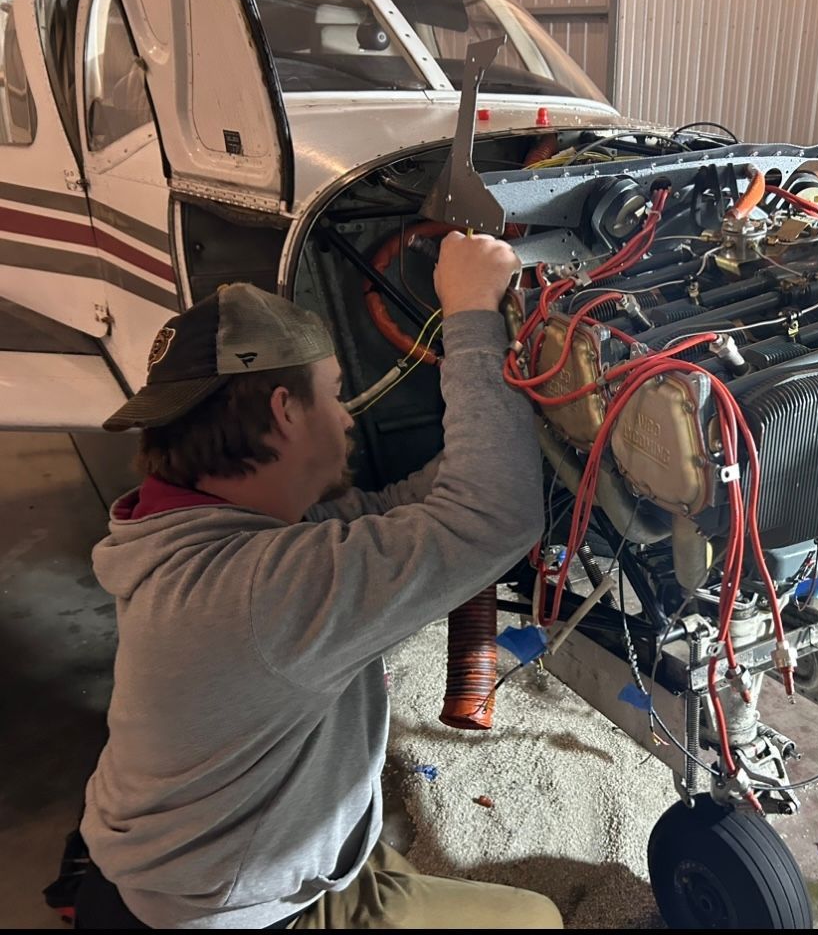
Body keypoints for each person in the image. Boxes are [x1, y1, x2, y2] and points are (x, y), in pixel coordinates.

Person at [72, 232, 561, 929]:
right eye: (333, 394)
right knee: (533, 920)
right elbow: (490, 519)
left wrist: (527, 427)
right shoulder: (257, 590)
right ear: (283, 409)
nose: (346, 415)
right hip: (233, 912)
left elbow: (412, 511)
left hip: (195, 858)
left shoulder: (195, 533)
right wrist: (471, 314)